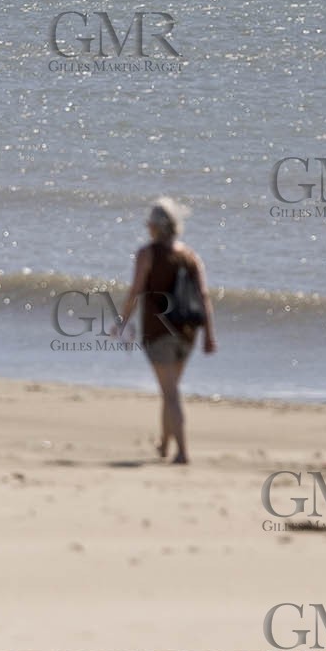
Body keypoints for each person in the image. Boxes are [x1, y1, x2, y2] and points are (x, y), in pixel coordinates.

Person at [114, 198, 216, 464]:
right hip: (187, 332)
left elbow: (135, 291)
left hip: (158, 331)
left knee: (170, 393)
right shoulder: (190, 256)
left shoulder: (147, 254)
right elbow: (204, 296)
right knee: (170, 390)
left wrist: (123, 321)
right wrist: (209, 335)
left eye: (149, 224)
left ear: (156, 227)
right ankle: (164, 445)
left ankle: (182, 451)